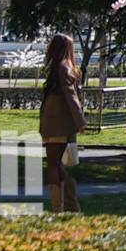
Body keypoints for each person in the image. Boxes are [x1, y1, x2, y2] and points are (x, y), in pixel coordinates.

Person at [39, 33, 87, 213]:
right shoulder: (68, 68)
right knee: (56, 163)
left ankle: (59, 208)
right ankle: (71, 206)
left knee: (52, 164)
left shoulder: (61, 68)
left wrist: (80, 121)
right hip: (62, 122)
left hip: (55, 122)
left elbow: (71, 96)